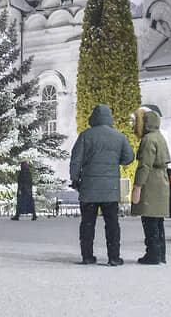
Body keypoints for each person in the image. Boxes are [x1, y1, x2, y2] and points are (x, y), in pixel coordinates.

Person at [69, 104, 135, 266]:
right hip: (110, 190)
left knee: (87, 224)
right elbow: (129, 158)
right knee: (112, 223)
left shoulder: (85, 136)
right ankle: (113, 257)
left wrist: (75, 179)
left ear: (94, 118)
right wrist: (113, 162)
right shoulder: (119, 137)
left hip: (89, 188)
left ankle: (87, 256)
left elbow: (75, 160)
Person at [131, 106, 171, 265]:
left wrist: (137, 186)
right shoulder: (160, 137)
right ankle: (160, 253)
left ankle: (152, 253)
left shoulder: (148, 140)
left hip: (151, 182)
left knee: (149, 220)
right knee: (157, 220)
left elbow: (145, 165)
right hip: (161, 180)